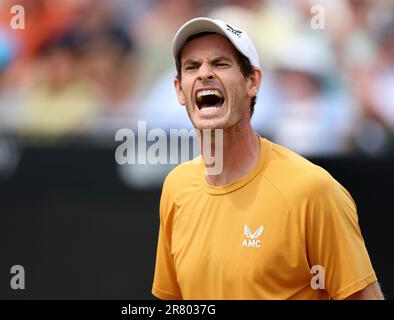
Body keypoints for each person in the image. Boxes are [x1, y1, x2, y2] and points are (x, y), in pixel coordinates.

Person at [151, 17, 384, 300]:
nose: (204, 74)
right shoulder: (176, 186)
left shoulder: (313, 190)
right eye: (192, 66)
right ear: (179, 89)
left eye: (220, 63)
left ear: (252, 82)